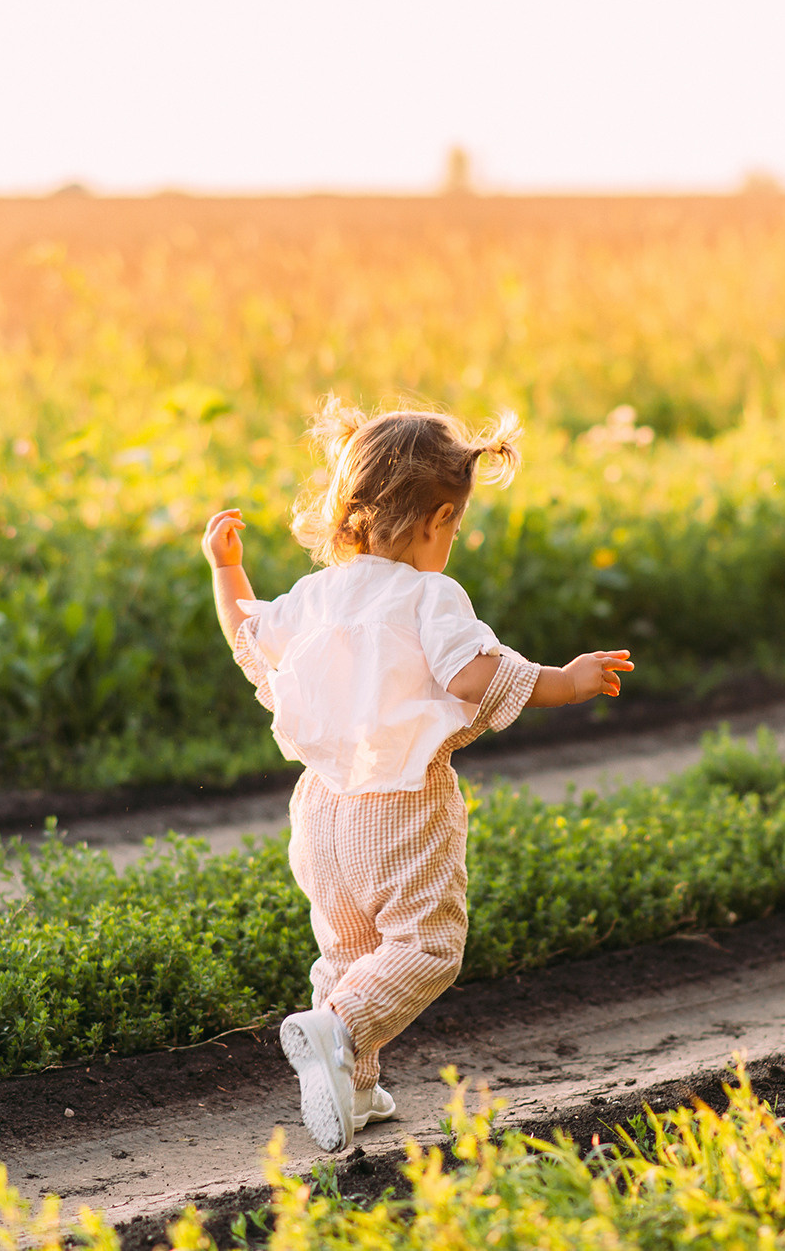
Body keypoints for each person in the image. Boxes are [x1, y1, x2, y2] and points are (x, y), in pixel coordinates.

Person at [200, 398, 636, 1153]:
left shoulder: (316, 595)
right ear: (438, 517)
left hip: (322, 814)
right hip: (403, 805)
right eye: (456, 527)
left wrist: (227, 567)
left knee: (352, 950)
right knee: (428, 945)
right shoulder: (430, 594)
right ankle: (336, 1029)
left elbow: (247, 631)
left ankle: (355, 1086)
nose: (454, 542)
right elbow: (472, 677)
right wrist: (564, 680)